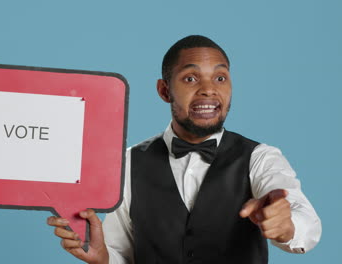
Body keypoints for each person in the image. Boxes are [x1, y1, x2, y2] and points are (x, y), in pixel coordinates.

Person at [47, 35, 322, 264]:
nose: (208, 90)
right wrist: (105, 258)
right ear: (164, 91)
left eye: (220, 78)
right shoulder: (128, 164)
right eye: (190, 78)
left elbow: (306, 222)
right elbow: (122, 253)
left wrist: (286, 226)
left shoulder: (260, 158)